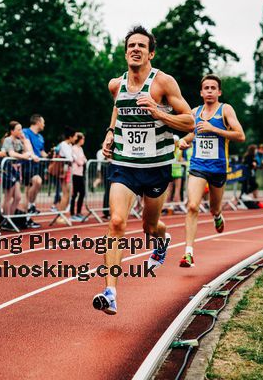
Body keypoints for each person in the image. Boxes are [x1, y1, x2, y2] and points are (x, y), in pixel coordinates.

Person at [93, 26, 194, 315]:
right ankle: (110, 291)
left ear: (151, 53)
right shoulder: (116, 84)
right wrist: (110, 132)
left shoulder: (163, 83)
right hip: (125, 165)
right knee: (116, 222)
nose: (135, 49)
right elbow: (117, 108)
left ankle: (161, 241)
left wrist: (158, 112)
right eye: (131, 45)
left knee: (150, 227)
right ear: (125, 52)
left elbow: (189, 122)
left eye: (141, 46)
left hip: (157, 167)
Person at [177, 74, 246, 268]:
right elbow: (193, 133)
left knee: (214, 207)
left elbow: (240, 135)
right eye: (206, 88)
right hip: (198, 166)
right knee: (192, 206)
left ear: (219, 92)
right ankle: (188, 253)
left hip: (218, 168)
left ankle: (217, 216)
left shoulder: (225, 110)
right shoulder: (195, 112)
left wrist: (214, 129)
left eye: (212, 88)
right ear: (201, 92)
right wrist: (184, 142)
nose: (209, 91)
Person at [0, 121, 34, 229]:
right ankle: (5, 219)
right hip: (7, 170)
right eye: (18, 129)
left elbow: (29, 152)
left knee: (18, 197)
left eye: (21, 129)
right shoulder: (8, 140)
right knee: (8, 196)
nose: (21, 131)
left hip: (16, 171)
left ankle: (10, 217)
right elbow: (12, 153)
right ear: (12, 131)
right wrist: (24, 156)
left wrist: (24, 140)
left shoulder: (19, 141)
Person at [20, 114, 47, 228]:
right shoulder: (25, 132)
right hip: (27, 164)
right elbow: (26, 146)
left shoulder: (41, 137)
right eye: (43, 122)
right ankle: (31, 206)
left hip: (37, 166)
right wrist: (31, 155)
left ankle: (27, 217)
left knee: (29, 191)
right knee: (37, 181)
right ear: (38, 122)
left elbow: (42, 152)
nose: (44, 125)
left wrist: (51, 156)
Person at [70, 132, 87, 221]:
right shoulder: (73, 148)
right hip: (75, 174)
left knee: (82, 193)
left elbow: (85, 159)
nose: (84, 140)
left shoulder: (80, 149)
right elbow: (79, 161)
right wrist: (82, 161)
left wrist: (82, 161)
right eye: (83, 138)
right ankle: (72, 213)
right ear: (80, 139)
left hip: (80, 174)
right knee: (74, 194)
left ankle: (78, 212)